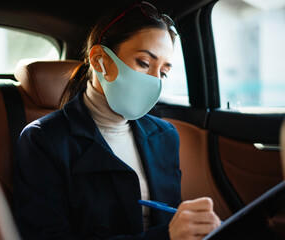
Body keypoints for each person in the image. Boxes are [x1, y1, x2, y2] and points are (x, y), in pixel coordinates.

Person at [13, 1, 221, 239]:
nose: (155, 81)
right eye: (144, 63)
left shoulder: (165, 135)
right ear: (100, 59)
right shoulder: (43, 140)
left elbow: (170, 219)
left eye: (163, 72)